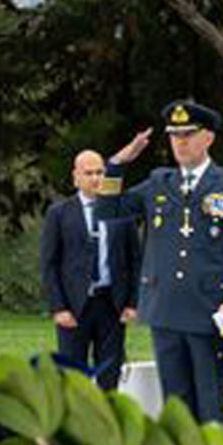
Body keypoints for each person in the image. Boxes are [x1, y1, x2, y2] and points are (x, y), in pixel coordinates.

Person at [98, 100, 223, 425]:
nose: (181, 142)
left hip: (210, 311)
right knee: (176, 410)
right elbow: (109, 210)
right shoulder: (159, 182)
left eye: (189, 134)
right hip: (165, 309)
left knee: (211, 409)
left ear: (208, 138)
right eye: (175, 135)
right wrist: (118, 163)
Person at [41, 149, 141, 389]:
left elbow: (134, 260)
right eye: (89, 173)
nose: (96, 178)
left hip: (111, 304)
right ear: (76, 177)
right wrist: (58, 307)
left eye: (100, 172)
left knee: (110, 375)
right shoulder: (59, 213)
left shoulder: (121, 211)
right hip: (75, 307)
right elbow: (49, 263)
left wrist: (132, 303)